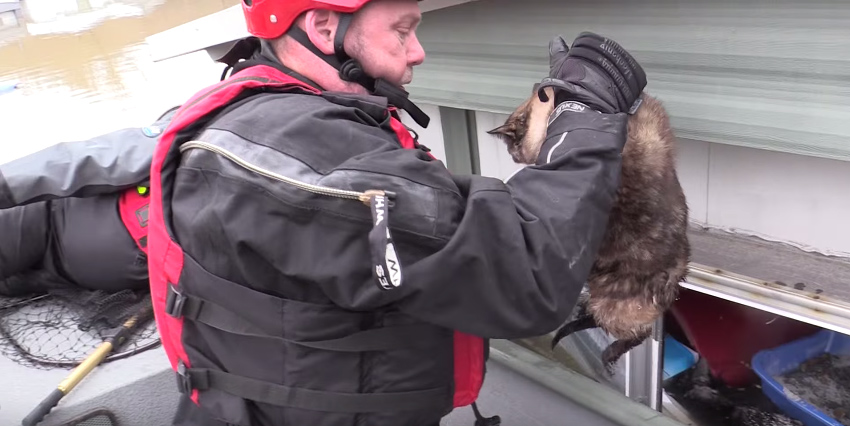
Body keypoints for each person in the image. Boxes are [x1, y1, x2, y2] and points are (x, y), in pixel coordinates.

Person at [145, 0, 648, 425]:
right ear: (323, 27)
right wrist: (586, 119)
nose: (418, 52)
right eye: (402, 31)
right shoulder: (315, 159)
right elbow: (524, 274)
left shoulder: (264, 112)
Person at [0, 107, 178, 297]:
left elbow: (105, 157)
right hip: (59, 246)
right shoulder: (200, 126)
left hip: (53, 226)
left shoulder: (200, 124)